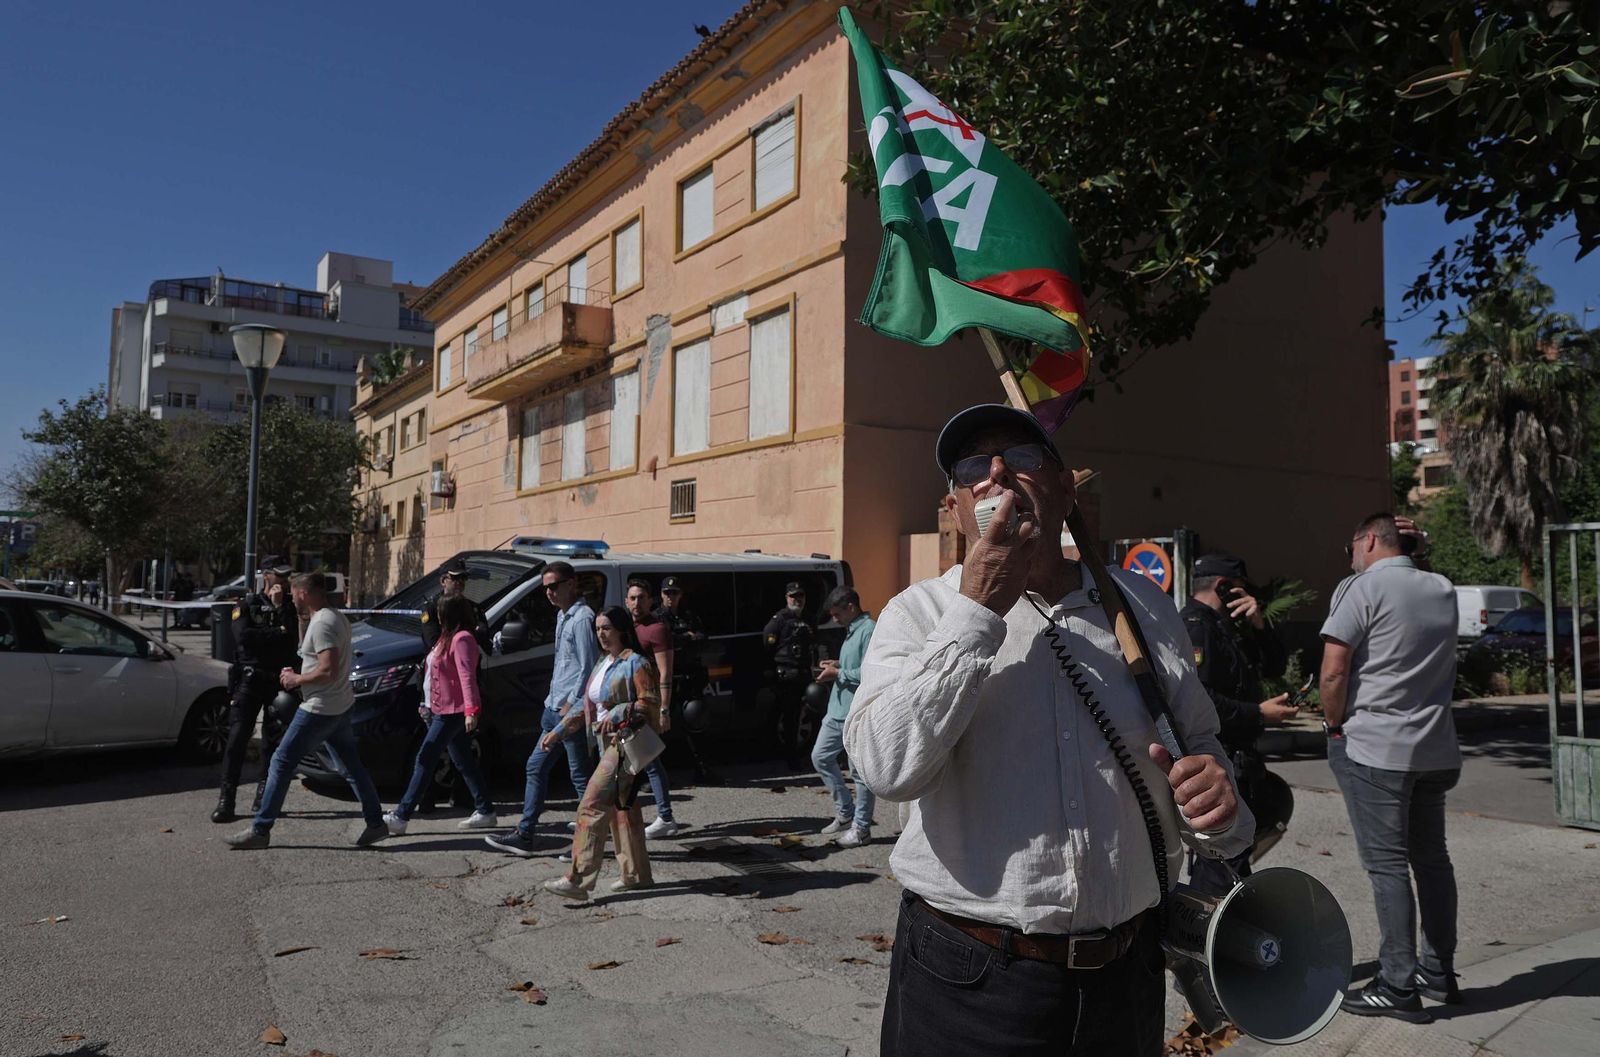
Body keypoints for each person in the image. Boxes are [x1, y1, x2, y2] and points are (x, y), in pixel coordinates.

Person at [845, 404, 1249, 1057]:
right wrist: (976, 612)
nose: (997, 472)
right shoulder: (919, 614)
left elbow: (1201, 747)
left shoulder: (1138, 607)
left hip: (1125, 977)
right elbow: (886, 766)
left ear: (1066, 490)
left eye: (1023, 456)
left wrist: (1217, 804)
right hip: (971, 980)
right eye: (974, 466)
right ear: (953, 508)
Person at [1321, 512, 1462, 1021]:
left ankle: (1399, 985)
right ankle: (1439, 972)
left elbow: (1334, 671)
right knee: (1432, 861)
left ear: (1369, 540)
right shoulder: (1442, 589)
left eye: (1353, 545)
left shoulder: (1359, 589)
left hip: (1376, 748)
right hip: (1436, 749)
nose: (1351, 555)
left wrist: (1332, 724)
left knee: (1387, 867)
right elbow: (1417, 579)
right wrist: (1413, 546)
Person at [224, 573, 388, 849]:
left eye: (294, 594)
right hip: (339, 705)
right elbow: (312, 656)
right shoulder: (331, 617)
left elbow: (328, 669)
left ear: (304, 593)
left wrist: (296, 680)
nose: (291, 598)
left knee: (281, 761)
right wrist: (300, 662)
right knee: (351, 766)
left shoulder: (323, 623)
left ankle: (261, 830)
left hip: (320, 708)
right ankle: (376, 823)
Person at [1180, 553, 1298, 892]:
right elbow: (1200, 701)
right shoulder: (1196, 627)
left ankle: (1223, 934)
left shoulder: (1225, 625)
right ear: (1224, 587)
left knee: (1233, 859)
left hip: (1242, 760)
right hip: (1221, 758)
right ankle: (1208, 938)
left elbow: (1275, 665)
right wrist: (1259, 713)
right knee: (1220, 865)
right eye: (1240, 590)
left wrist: (1259, 623)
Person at [540, 605, 662, 901]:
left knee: (590, 807)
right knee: (623, 810)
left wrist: (620, 711)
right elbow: (587, 704)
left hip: (624, 743)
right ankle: (636, 876)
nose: (601, 634)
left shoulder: (636, 663)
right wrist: (558, 731)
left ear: (621, 628)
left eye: (606, 628)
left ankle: (577, 879)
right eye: (597, 629)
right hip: (605, 743)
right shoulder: (602, 663)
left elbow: (649, 703)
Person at [485, 561, 597, 856]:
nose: (548, 592)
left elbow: (588, 670)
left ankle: (591, 843)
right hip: (553, 708)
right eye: (545, 587)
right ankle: (525, 835)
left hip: (568, 713)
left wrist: (570, 708)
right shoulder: (563, 616)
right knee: (536, 767)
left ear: (571, 584)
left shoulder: (583, 618)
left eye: (553, 586)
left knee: (580, 779)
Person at [383, 594, 498, 834]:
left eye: (440, 611)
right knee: (463, 760)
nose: (436, 615)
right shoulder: (446, 637)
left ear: (449, 614)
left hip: (452, 711)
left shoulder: (462, 639)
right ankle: (486, 810)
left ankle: (401, 816)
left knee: (425, 758)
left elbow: (467, 677)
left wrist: (471, 710)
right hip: (439, 708)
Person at [211, 557, 298, 824]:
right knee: (237, 739)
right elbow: (243, 637)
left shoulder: (288, 606)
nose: (282, 582)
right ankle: (227, 800)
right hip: (249, 680)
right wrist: (276, 632)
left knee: (273, 742)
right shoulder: (246, 603)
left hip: (276, 681)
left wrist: (279, 611)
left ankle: (264, 796)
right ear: (265, 576)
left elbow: (292, 639)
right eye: (278, 576)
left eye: (285, 578)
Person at [812, 585, 877, 848]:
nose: (834, 619)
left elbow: (872, 671)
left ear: (851, 607)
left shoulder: (869, 630)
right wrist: (837, 664)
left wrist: (840, 674)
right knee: (820, 757)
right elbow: (855, 665)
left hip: (856, 712)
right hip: (837, 709)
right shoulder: (852, 630)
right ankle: (845, 810)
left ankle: (862, 828)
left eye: (837, 614)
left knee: (859, 772)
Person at [626, 577, 681, 838]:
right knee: (633, 760)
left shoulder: (657, 629)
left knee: (649, 760)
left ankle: (665, 817)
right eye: (632, 598)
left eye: (641, 598)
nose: (637, 602)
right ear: (626, 601)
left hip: (648, 704)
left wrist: (664, 709)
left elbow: (665, 673)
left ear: (651, 601)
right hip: (627, 703)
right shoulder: (626, 627)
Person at [656, 575, 718, 783]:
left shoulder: (689, 616)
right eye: (667, 593)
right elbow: (665, 641)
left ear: (681, 595)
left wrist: (687, 638)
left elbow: (703, 638)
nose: (670, 597)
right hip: (668, 681)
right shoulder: (657, 618)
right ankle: (654, 776)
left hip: (690, 679)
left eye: (674, 593)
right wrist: (686, 638)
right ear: (661, 594)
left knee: (696, 724)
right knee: (659, 729)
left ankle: (703, 771)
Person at [763, 582, 815, 767]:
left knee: (802, 715)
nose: (797, 600)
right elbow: (768, 643)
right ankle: (790, 757)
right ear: (787, 598)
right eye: (793, 596)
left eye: (800, 596)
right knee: (788, 716)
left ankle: (797, 754)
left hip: (803, 674)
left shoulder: (809, 618)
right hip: (786, 675)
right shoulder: (780, 619)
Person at [419, 557, 489, 653]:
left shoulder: (473, 607)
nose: (460, 582)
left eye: (463, 578)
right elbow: (432, 641)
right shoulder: (431, 608)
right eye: (455, 577)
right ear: (443, 581)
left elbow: (483, 634)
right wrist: (467, 634)